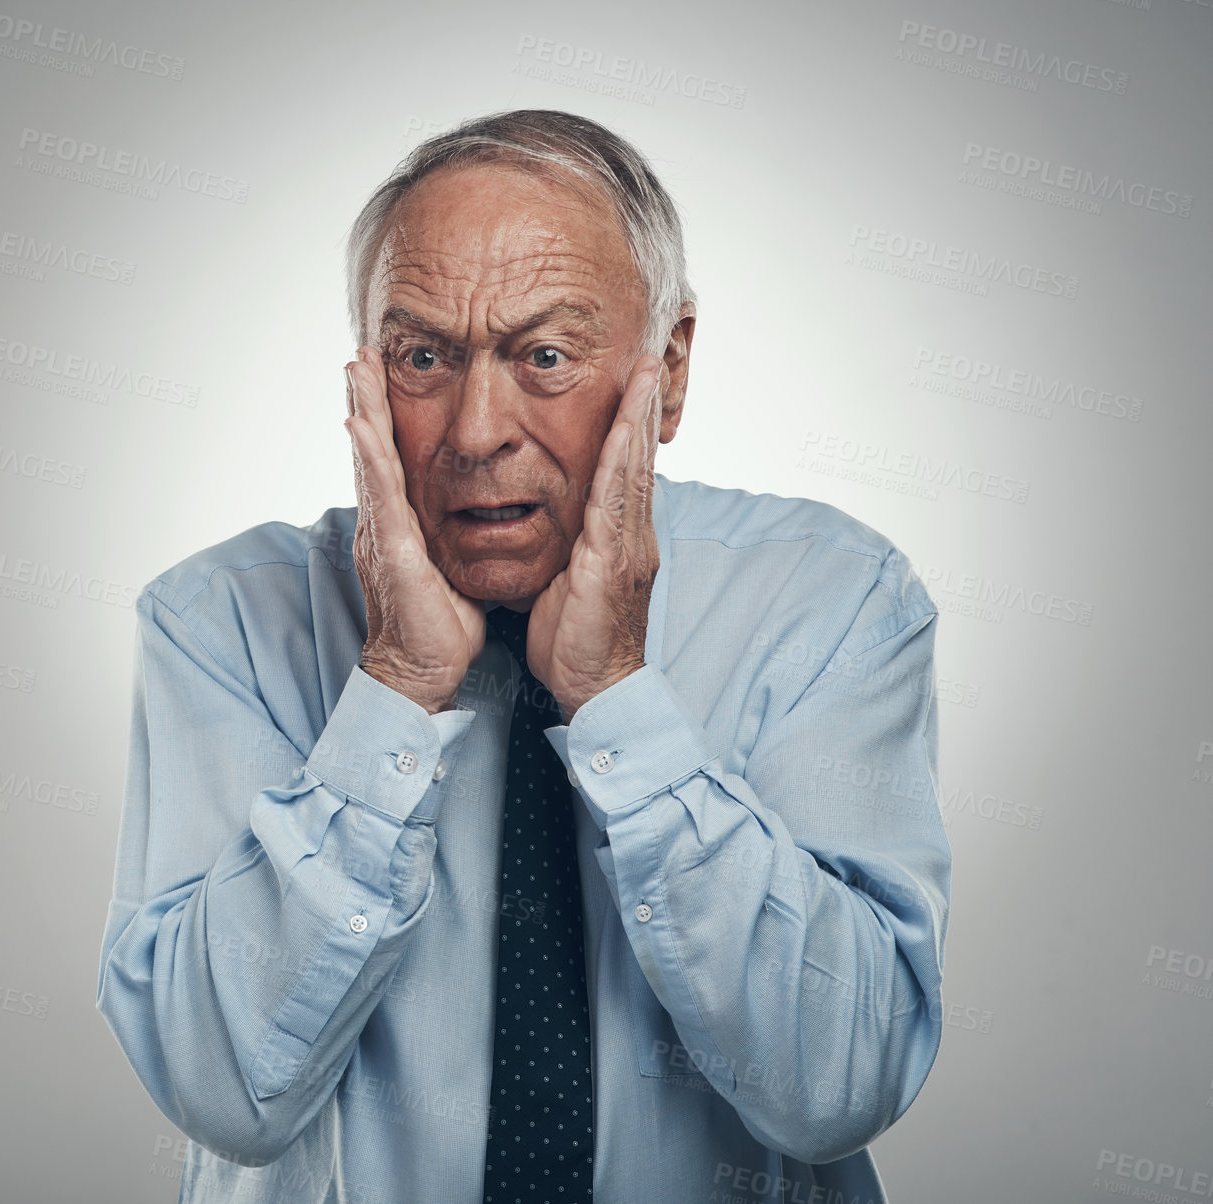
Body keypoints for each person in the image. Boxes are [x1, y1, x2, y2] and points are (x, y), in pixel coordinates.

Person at [96, 109, 950, 1203]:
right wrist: (395, 688)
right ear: (365, 372)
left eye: (544, 355)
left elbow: (842, 1082)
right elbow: (224, 1090)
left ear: (670, 368)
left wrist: (617, 700)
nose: (474, 429)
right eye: (424, 357)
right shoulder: (221, 620)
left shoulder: (836, 600)